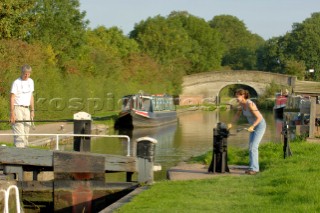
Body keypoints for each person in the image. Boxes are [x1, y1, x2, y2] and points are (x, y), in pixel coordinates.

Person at [228, 89, 266, 175]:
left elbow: (259, 117)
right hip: (252, 126)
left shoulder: (250, 104)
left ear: (243, 96)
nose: (236, 98)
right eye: (236, 96)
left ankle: (255, 169)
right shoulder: (241, 105)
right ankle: (252, 167)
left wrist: (252, 126)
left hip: (259, 125)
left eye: (237, 96)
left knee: (253, 147)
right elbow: (237, 115)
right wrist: (231, 124)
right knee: (251, 147)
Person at [10, 64, 35, 148]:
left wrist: (32, 110)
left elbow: (31, 96)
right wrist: (12, 113)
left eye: (28, 74)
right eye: (25, 73)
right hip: (17, 108)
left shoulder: (31, 81)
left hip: (26, 109)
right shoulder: (16, 82)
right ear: (22, 73)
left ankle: (25, 151)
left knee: (26, 131)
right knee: (19, 133)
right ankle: (19, 153)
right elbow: (12, 97)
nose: (27, 75)